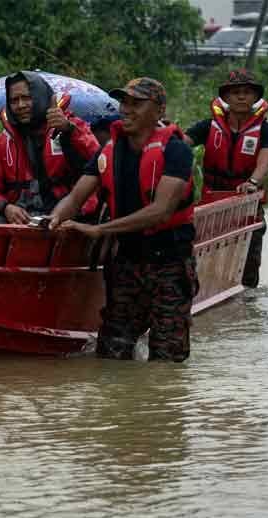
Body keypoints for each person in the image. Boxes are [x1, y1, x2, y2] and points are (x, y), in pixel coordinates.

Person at [48, 77, 197, 362]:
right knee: (111, 354)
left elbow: (161, 210)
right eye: (124, 102)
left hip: (169, 263)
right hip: (126, 262)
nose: (127, 109)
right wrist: (53, 219)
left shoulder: (176, 150)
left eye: (137, 103)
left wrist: (100, 229)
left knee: (167, 359)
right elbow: (76, 198)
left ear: (159, 110)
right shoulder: (108, 151)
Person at [186, 68, 268, 287]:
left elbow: (265, 161)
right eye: (235, 92)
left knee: (247, 273)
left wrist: (253, 182)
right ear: (225, 97)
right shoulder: (207, 126)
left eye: (247, 92)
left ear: (256, 97)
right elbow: (180, 143)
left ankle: (245, 310)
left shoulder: (266, 130)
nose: (241, 96)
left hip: (248, 206)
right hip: (212, 207)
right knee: (206, 264)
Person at [0, 70, 101, 225]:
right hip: (23, 217)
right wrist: (5, 207)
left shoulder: (71, 126)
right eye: (14, 100)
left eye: (27, 98)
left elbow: (98, 163)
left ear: (40, 96)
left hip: (69, 215)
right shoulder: (2, 142)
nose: (20, 105)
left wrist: (69, 130)